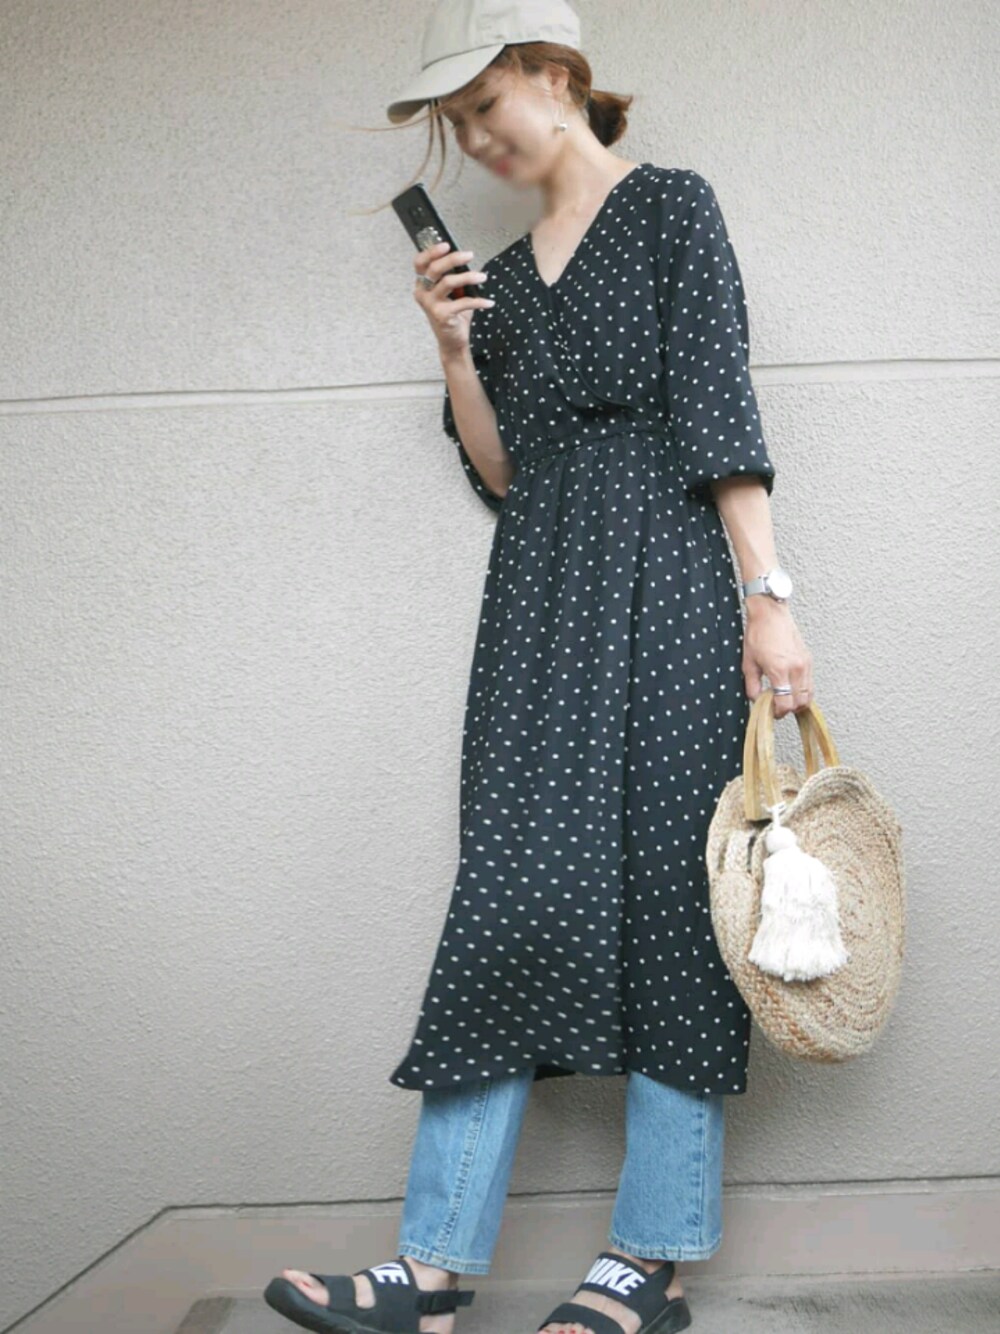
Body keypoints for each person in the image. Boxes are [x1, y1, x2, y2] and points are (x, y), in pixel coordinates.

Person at [264, 3, 813, 1332]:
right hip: (538, 604)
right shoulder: (497, 278)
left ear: (557, 76)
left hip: (672, 587)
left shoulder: (673, 208)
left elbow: (718, 404)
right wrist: (455, 348)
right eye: (453, 125)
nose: (472, 140)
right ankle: (433, 1270)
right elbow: (504, 473)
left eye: (482, 107)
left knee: (679, 908)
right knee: (508, 897)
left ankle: (648, 1263)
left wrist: (769, 599)